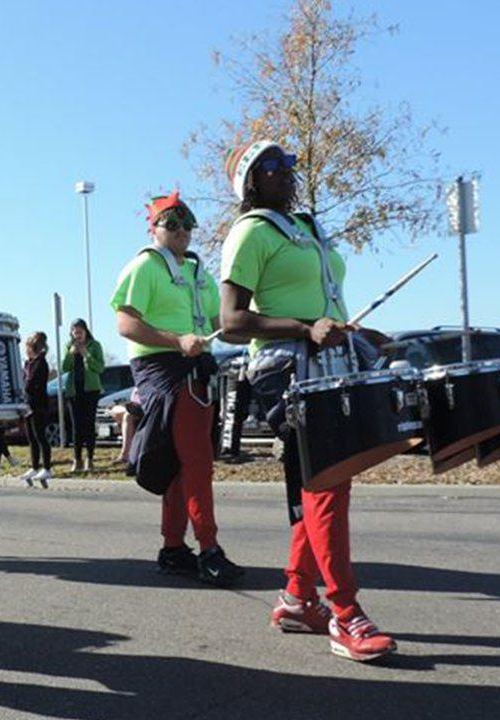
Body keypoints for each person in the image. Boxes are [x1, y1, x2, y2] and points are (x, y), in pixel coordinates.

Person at [217, 139, 396, 662]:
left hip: (326, 358)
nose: (286, 172)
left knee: (324, 482)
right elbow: (230, 323)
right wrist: (304, 327)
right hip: (283, 366)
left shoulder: (308, 228)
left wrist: (353, 331)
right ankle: (346, 615)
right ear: (251, 181)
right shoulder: (249, 233)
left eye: (288, 163)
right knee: (325, 484)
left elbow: (321, 301)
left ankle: (298, 597)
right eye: (272, 166)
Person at [111, 191, 244, 587]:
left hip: (196, 368)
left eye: (188, 224)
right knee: (198, 462)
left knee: (181, 464)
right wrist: (177, 340)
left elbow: (221, 319)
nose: (182, 231)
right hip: (165, 369)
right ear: (153, 228)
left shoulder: (199, 272)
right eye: (172, 223)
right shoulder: (145, 266)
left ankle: (173, 548)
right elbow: (126, 323)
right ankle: (209, 551)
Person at [61, 319, 104, 472]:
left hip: (91, 390)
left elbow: (100, 368)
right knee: (76, 426)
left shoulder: (95, 345)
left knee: (89, 425)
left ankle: (90, 459)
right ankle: (77, 459)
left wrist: (86, 354)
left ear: (86, 331)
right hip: (74, 391)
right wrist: (71, 354)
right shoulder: (68, 346)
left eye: (80, 332)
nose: (77, 335)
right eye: (75, 332)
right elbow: (64, 368)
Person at [17, 332, 54, 488]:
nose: (26, 351)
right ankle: (34, 467)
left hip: (38, 404)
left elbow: (31, 383)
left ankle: (47, 467)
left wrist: (24, 386)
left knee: (40, 436)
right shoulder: (28, 363)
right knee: (31, 438)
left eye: (27, 348)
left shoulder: (40, 363)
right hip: (28, 404)